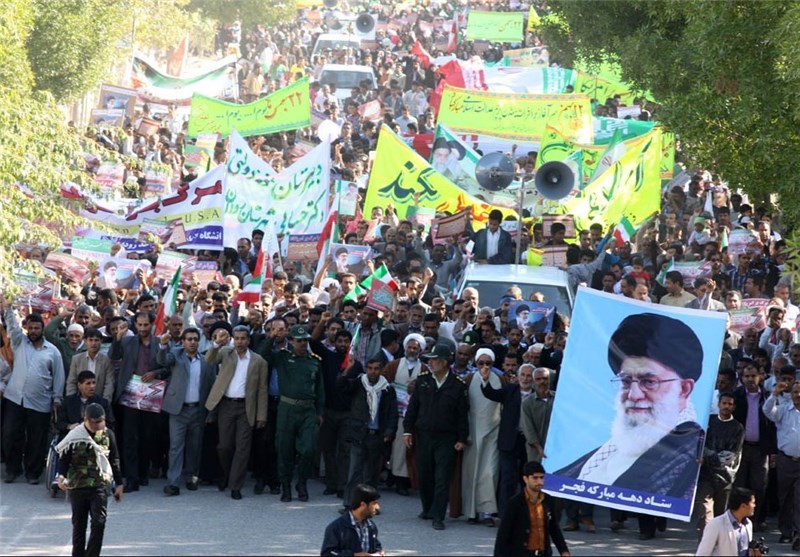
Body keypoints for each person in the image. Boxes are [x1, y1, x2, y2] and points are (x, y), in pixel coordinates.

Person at [555, 312, 705, 499]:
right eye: (626, 381)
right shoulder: (616, 446)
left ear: (683, 389)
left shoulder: (692, 452)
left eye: (648, 382)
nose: (634, 395)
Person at [403, 343, 469, 531]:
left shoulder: (457, 385)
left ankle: (438, 516)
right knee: (424, 475)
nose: (430, 363)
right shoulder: (423, 380)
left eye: (434, 360)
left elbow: (462, 415)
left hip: (446, 439)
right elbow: (413, 408)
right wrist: (407, 431)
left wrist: (462, 439)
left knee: (442, 478)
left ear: (444, 362)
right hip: (423, 436)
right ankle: (428, 508)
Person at [1, 299, 65, 484]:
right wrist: (7, 308)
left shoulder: (52, 352)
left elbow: (58, 376)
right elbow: (12, 326)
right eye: (31, 328)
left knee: (36, 439)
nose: (34, 331)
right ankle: (13, 470)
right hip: (15, 398)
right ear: (26, 328)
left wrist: (57, 398)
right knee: (10, 434)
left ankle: (33, 472)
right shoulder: (19, 343)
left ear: (42, 328)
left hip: (41, 402)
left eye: (37, 328)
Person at [259, 324, 325, 503]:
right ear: (291, 341)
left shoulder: (314, 361)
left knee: (309, 449)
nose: (303, 343)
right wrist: (272, 337)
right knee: (284, 449)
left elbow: (320, 389)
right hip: (287, 409)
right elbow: (262, 355)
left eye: (305, 340)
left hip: (307, 410)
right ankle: (286, 485)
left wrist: (320, 411)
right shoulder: (282, 357)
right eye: (299, 340)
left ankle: (301, 483)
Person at [205, 325, 269, 500]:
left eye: (243, 338)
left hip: (246, 408)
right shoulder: (226, 352)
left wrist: (261, 415)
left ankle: (235, 485)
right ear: (233, 339)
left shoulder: (259, 361)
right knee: (224, 446)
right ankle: (226, 474)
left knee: (243, 448)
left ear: (248, 340)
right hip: (225, 405)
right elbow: (209, 360)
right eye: (237, 338)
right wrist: (216, 344)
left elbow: (262, 390)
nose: (240, 342)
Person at [55, 403, 124, 557]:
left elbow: (114, 459)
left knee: (99, 523)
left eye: (101, 421)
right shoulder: (75, 436)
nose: (99, 425)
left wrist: (119, 484)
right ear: (85, 419)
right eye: (95, 422)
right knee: (79, 527)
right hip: (78, 486)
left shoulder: (107, 434)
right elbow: (64, 458)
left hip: (99, 486)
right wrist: (61, 476)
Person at [156, 327, 217, 496]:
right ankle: (173, 482)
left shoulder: (206, 360)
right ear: (183, 342)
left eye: (195, 339)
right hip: (178, 410)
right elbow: (162, 361)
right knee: (176, 447)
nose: (192, 342)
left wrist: (211, 411)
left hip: (198, 409)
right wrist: (162, 345)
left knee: (194, 447)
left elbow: (212, 385)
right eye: (188, 339)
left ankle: (191, 477)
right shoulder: (176, 354)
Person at [339, 357, 398, 512]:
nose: (373, 371)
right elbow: (341, 386)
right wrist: (347, 369)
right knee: (354, 472)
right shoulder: (359, 383)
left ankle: (370, 506)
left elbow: (392, 412)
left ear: (381, 369)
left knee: (371, 474)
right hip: (359, 433)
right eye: (370, 368)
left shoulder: (387, 389)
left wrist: (389, 431)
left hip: (376, 435)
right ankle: (350, 504)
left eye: (376, 368)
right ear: (366, 369)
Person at [493, 461, 570, 557]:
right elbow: (503, 534)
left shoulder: (548, 500)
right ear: (525, 479)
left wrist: (564, 550)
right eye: (535, 478)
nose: (539, 482)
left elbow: (553, 527)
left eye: (541, 478)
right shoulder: (515, 503)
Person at [693, 392, 744, 537]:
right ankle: (705, 546)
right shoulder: (708, 421)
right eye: (724, 403)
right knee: (703, 513)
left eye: (730, 404)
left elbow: (729, 456)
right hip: (705, 476)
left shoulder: (737, 428)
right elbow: (699, 444)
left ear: (734, 407)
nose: (726, 406)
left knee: (721, 517)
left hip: (724, 478)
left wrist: (707, 457)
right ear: (718, 404)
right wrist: (704, 457)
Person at [762, 378, 800, 549]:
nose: (798, 395)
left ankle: (798, 533)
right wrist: (774, 394)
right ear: (790, 394)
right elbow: (767, 411)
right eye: (795, 392)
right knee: (785, 498)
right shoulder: (784, 410)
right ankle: (786, 532)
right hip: (786, 460)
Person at [321, 484, 385, 557]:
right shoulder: (336, 528)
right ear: (363, 504)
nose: (378, 507)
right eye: (374, 503)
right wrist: (354, 555)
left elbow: (375, 544)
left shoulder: (371, 526)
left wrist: (379, 551)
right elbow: (327, 553)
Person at [696, 487, 760, 556]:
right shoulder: (716, 524)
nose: (754, 506)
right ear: (743, 506)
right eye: (753, 503)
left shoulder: (748, 524)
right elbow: (703, 553)